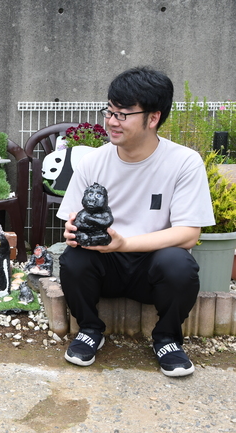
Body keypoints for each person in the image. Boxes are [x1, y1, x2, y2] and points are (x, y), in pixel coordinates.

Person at [57, 67, 215, 377]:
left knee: (179, 263)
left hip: (151, 267)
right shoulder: (93, 161)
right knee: (73, 258)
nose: (111, 122)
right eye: (110, 111)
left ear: (153, 118)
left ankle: (167, 338)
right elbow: (72, 218)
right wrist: (73, 231)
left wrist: (126, 243)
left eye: (123, 114)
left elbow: (188, 233)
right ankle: (90, 329)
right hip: (106, 266)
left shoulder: (183, 162)